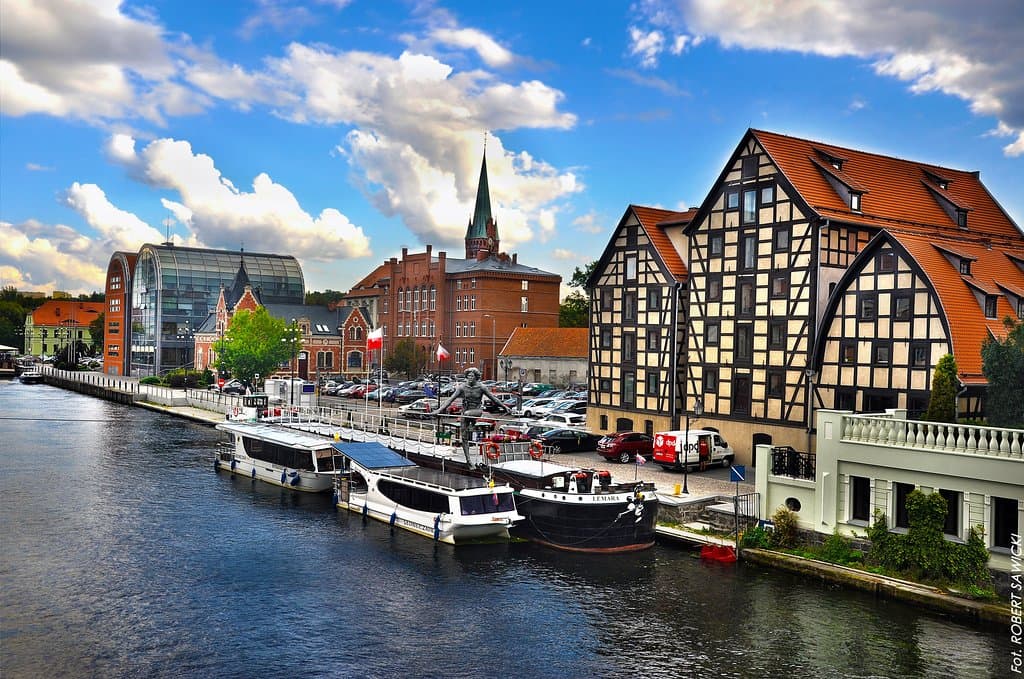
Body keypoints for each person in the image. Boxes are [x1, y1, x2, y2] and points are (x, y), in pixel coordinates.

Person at [432, 367, 511, 462]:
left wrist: (504, 407)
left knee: (466, 414)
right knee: (464, 436)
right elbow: (450, 399)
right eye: (468, 376)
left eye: (472, 376)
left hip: (476, 410)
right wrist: (439, 410)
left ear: (476, 377)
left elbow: (494, 398)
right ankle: (468, 460)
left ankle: (472, 425)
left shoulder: (481, 387)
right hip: (465, 412)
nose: (469, 377)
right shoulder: (462, 387)